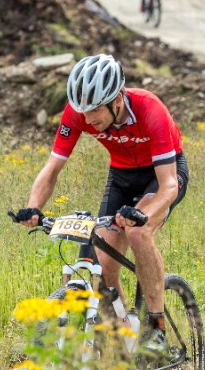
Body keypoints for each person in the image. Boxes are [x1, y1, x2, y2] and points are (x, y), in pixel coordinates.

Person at [14, 54, 190, 354]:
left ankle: (157, 325)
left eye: (95, 110)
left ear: (117, 100)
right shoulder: (77, 113)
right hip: (121, 175)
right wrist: (34, 208)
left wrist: (141, 215)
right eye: (83, 111)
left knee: (137, 233)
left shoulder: (150, 109)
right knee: (104, 261)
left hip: (161, 175)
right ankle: (123, 338)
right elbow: (53, 167)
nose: (88, 119)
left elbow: (169, 185)